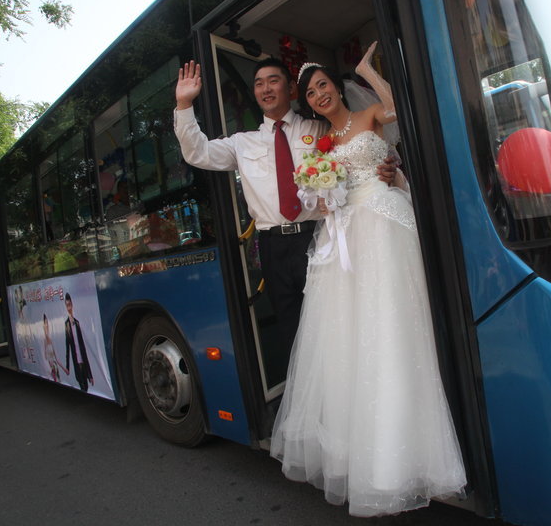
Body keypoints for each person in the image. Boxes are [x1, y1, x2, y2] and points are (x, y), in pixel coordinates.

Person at [270, 42, 467, 517]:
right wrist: (322, 196)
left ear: (338, 87)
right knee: (353, 338)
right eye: (310, 92)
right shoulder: (321, 144)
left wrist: (367, 70)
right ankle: (370, 456)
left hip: (384, 223)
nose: (319, 94)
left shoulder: (371, 115)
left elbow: (399, 108)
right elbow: (318, 196)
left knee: (396, 327)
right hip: (345, 236)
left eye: (323, 85)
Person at [173, 58, 396, 363]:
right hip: (272, 247)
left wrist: (386, 167)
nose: (266, 88)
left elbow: (359, 144)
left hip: (319, 238)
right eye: (259, 83)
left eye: (273, 81)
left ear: (291, 88)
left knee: (334, 322)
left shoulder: (320, 128)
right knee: (292, 331)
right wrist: (184, 104)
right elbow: (197, 152)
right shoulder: (242, 143)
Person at [63, 293, 93, 392]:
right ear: (65, 307)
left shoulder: (77, 323)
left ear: (72, 305)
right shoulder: (66, 325)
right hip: (76, 364)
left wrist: (90, 375)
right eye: (67, 305)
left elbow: (83, 348)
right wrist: (67, 367)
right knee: (82, 387)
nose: (69, 308)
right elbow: (67, 348)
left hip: (83, 363)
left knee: (86, 387)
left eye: (70, 305)